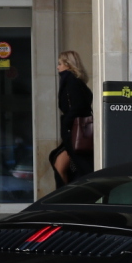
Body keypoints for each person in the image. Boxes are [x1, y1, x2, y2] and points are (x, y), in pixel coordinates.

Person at [49, 50, 93, 185]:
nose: (58, 67)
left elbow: (77, 107)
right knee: (59, 163)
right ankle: (65, 197)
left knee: (80, 168)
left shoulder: (71, 81)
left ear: (68, 64)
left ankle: (65, 199)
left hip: (74, 132)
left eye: (60, 64)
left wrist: (67, 122)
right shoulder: (77, 81)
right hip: (76, 131)